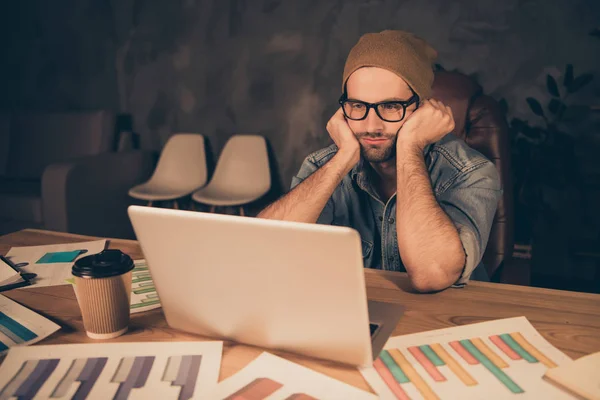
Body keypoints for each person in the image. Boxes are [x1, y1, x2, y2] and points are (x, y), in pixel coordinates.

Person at [258, 30, 501, 292]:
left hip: (446, 323)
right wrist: (341, 160)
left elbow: (432, 275)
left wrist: (410, 145)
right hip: (358, 317)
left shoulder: (471, 171)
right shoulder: (324, 166)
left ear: (421, 108)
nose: (371, 126)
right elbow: (263, 249)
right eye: (358, 106)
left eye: (391, 106)